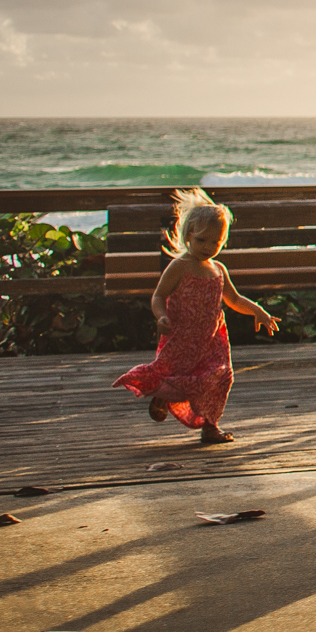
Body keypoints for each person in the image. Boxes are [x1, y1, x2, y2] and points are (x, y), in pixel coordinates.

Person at [113, 188, 276, 445]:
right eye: (202, 240)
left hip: (212, 340)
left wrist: (258, 310)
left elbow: (233, 300)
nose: (208, 247)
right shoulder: (179, 266)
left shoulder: (218, 269)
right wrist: (162, 316)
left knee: (221, 378)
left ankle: (211, 426)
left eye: (216, 242)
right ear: (187, 235)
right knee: (178, 375)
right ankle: (163, 395)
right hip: (182, 337)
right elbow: (158, 296)